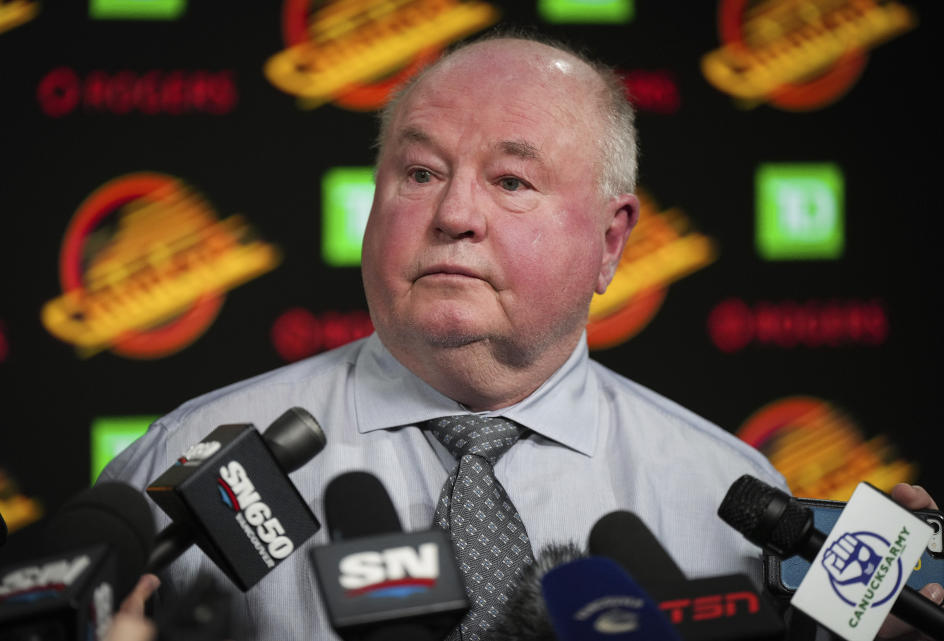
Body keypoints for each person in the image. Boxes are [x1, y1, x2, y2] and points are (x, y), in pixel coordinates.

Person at [101, 33, 941, 640]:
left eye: (511, 180)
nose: (455, 215)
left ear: (612, 240)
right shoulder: (186, 463)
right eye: (421, 173)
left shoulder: (729, 492)